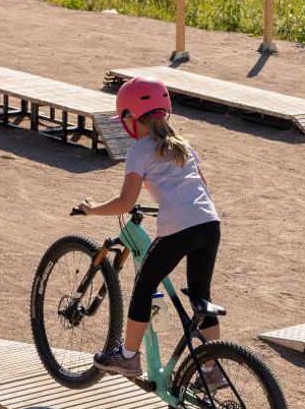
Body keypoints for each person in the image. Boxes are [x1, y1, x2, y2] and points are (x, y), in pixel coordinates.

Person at [73, 78, 222, 380]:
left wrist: (93, 210)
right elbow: (202, 188)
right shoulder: (183, 144)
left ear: (130, 118)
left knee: (143, 286)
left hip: (179, 228)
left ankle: (128, 357)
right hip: (209, 223)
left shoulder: (139, 150)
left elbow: (126, 202)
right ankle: (212, 369)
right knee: (200, 296)